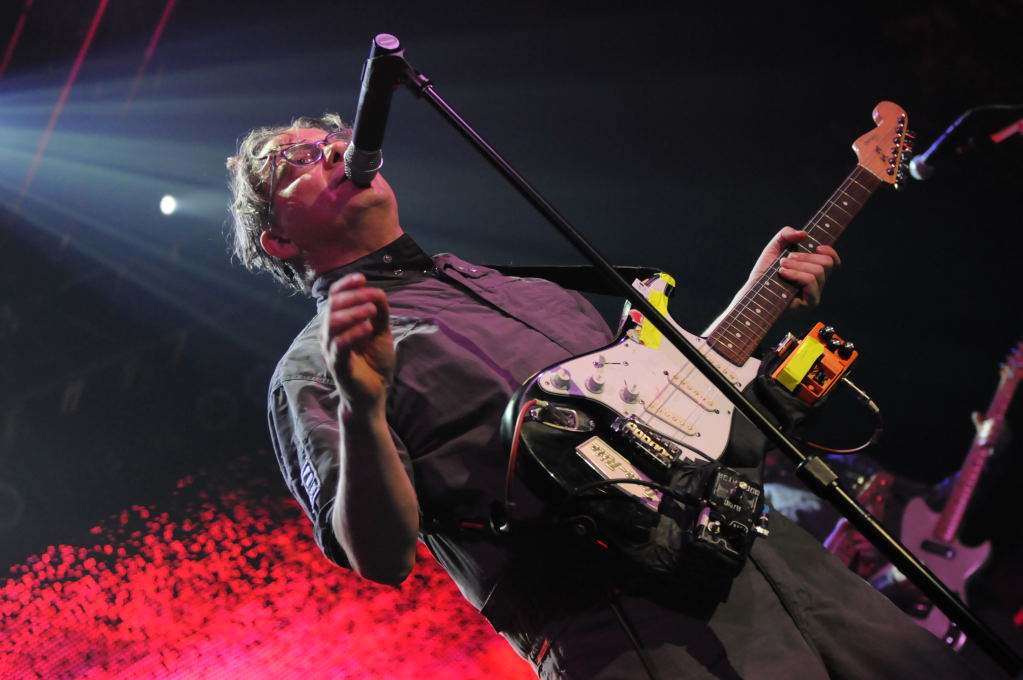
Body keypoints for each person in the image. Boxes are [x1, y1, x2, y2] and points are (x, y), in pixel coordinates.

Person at [226, 114, 983, 679]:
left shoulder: (528, 288)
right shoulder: (312, 370)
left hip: (772, 557)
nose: (334, 149)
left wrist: (754, 297)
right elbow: (379, 556)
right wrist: (362, 408)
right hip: (629, 632)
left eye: (333, 138)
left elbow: (663, 407)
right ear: (279, 240)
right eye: (297, 160)